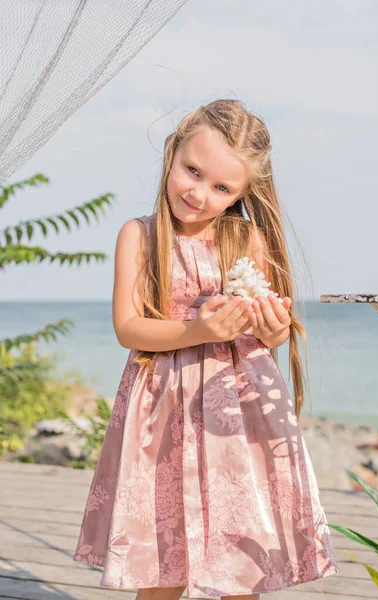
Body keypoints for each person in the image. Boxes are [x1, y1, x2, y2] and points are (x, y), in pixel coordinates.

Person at [73, 99, 339, 599]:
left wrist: (274, 327)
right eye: (192, 171)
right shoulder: (141, 235)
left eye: (221, 188)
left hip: (236, 415)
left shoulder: (247, 241)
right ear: (172, 153)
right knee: (162, 560)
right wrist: (201, 330)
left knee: (241, 562)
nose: (198, 194)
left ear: (242, 193)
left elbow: (269, 337)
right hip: (165, 411)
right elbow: (129, 329)